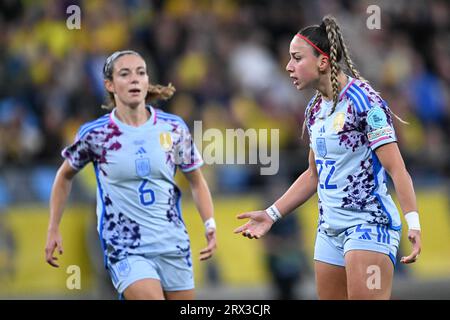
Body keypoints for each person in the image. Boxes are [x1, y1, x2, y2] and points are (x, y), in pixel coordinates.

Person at [234, 16, 422, 300]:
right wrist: (272, 214)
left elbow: (396, 168)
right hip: (329, 231)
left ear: (322, 62)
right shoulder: (314, 110)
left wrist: (414, 222)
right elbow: (314, 174)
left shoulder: (364, 102)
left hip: (368, 225)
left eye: (297, 58)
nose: (288, 66)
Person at [45, 50, 217, 300]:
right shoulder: (96, 134)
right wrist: (53, 227)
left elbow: (197, 181)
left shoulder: (173, 128)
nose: (135, 79)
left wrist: (209, 224)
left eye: (141, 73)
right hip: (126, 247)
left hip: (172, 243)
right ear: (110, 85)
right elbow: (64, 176)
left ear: (147, 81)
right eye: (125, 74)